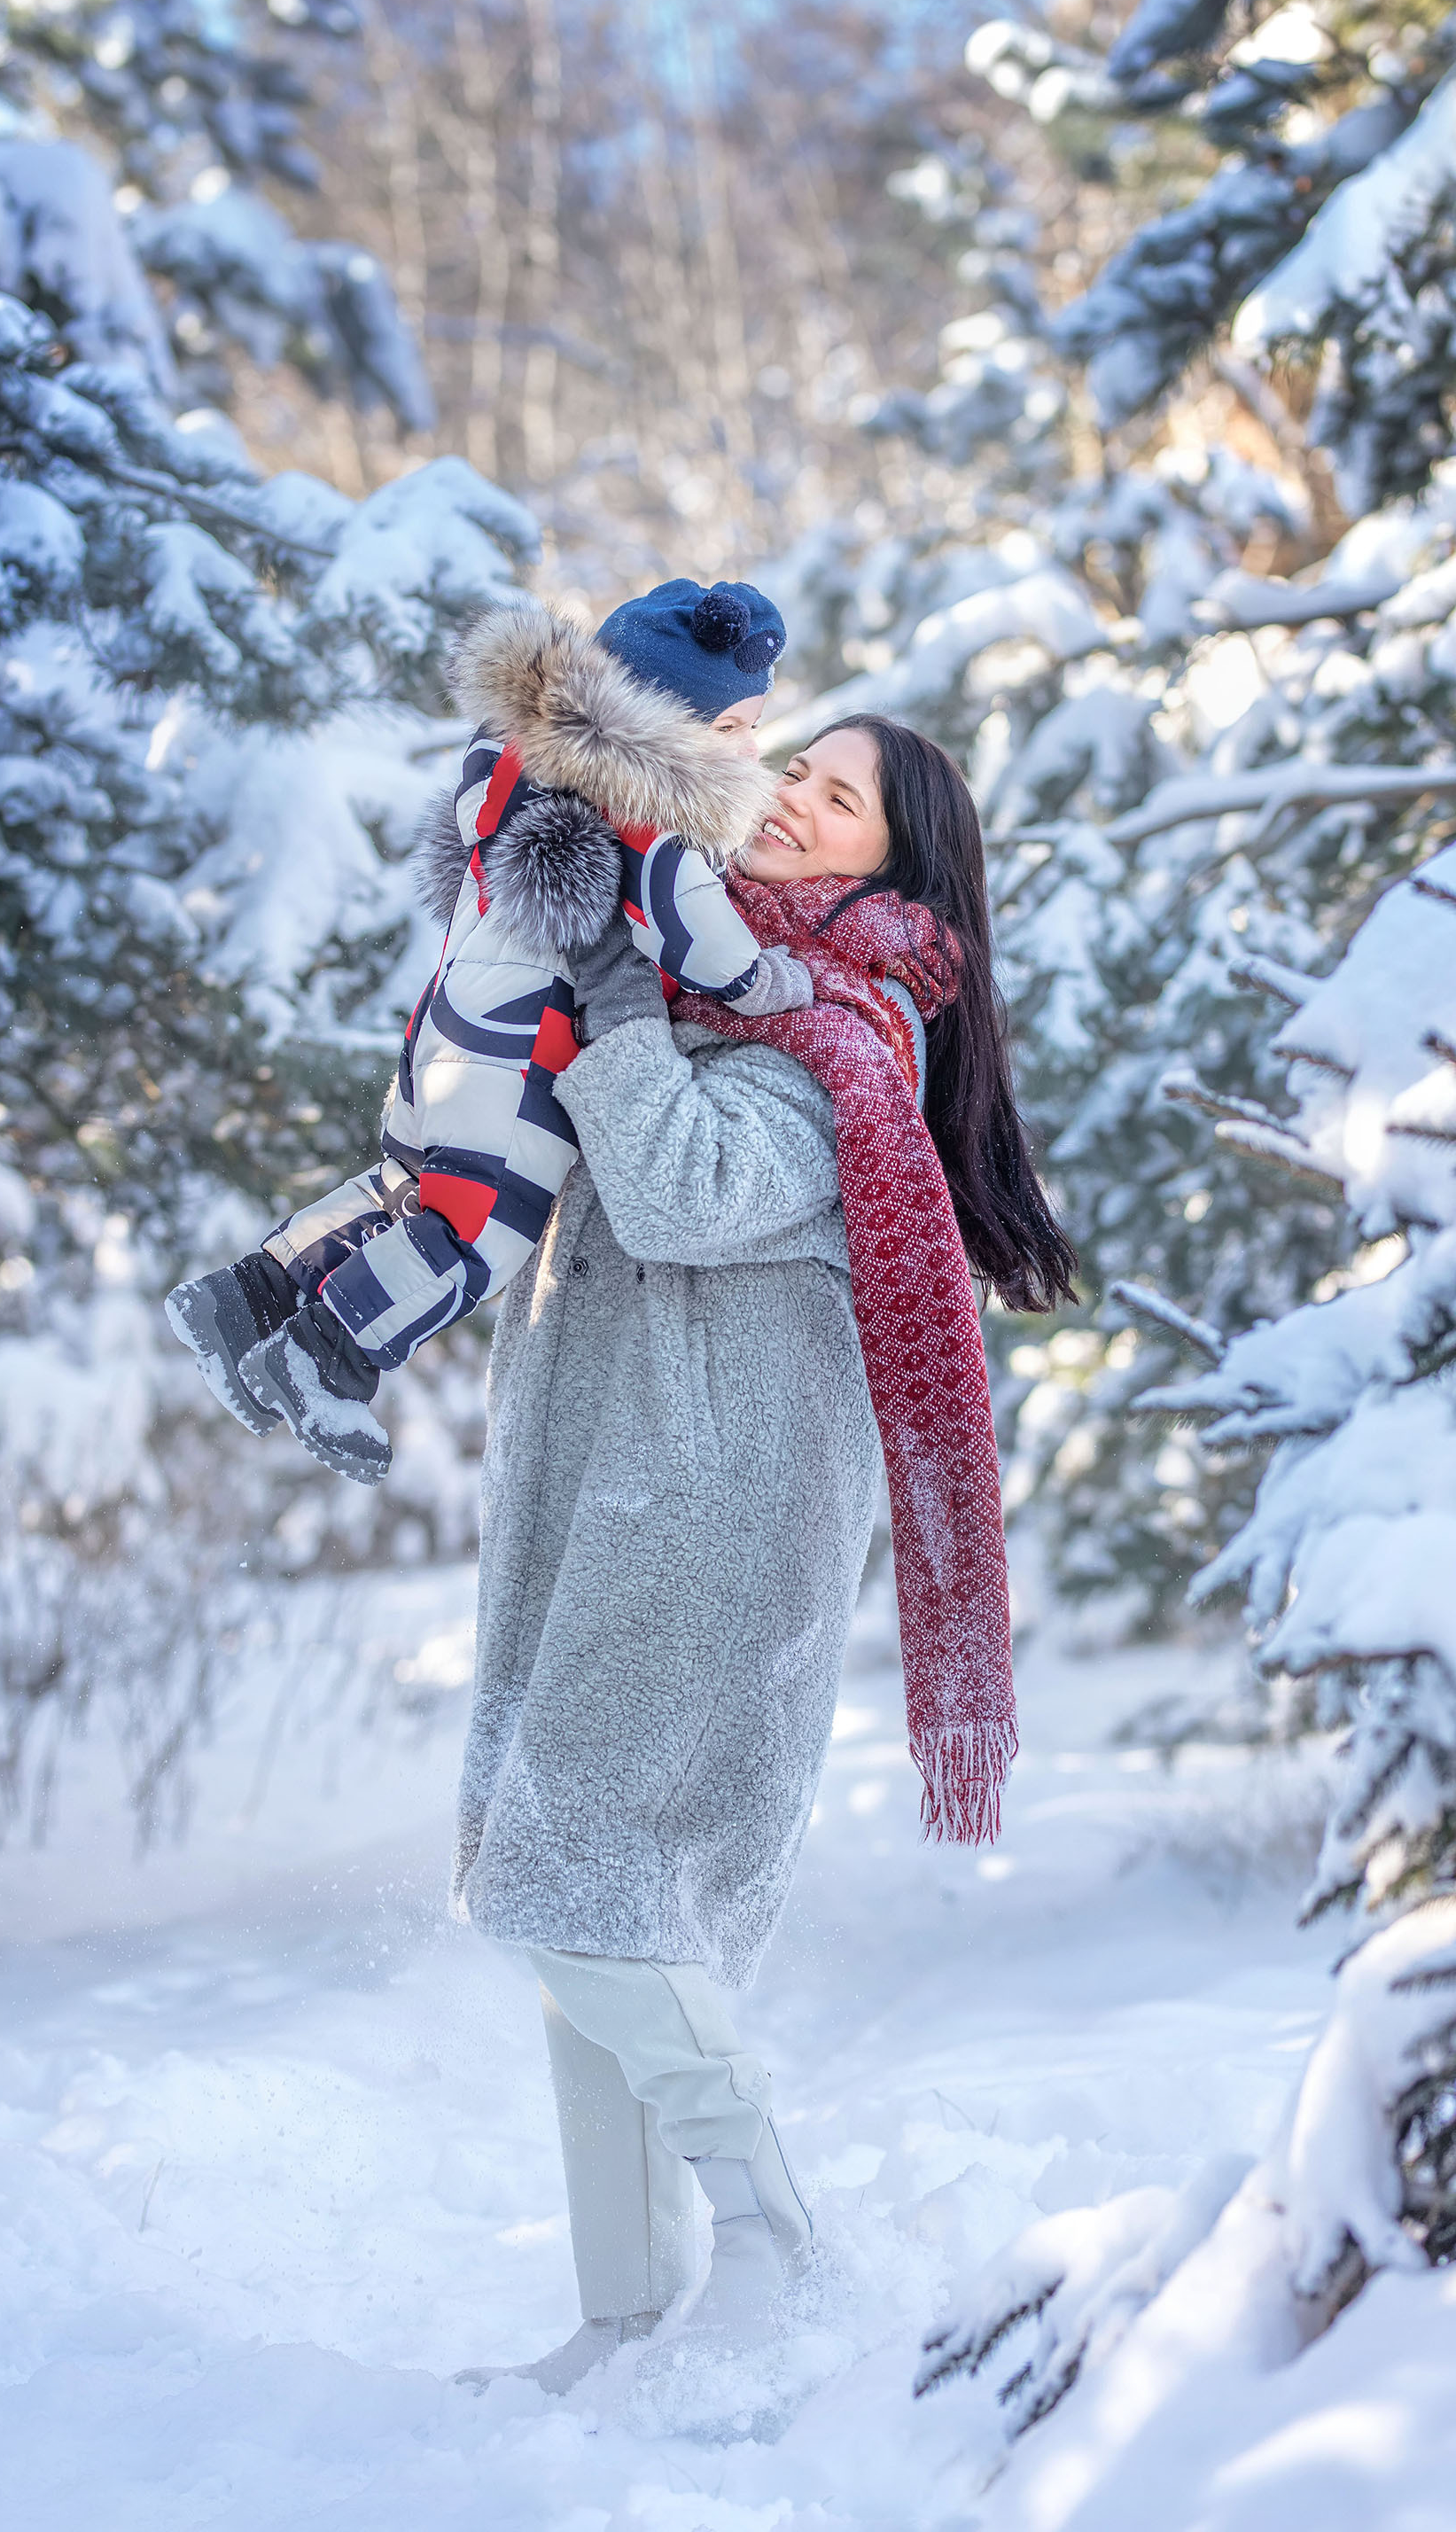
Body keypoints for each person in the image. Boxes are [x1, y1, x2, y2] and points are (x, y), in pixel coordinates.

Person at [453, 709, 1077, 2393]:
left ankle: (772, 2243)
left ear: (898, 859)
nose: (794, 798)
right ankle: (626, 2319)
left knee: (580, 1889)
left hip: (708, 1516)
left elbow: (680, 1188)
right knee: (604, 1913)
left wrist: (617, 983)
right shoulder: (724, 979)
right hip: (622, 1492)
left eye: (839, 795)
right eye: (794, 768)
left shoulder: (847, 1037)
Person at [161, 580, 814, 1485]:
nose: (748, 749)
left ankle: (245, 1298)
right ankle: (328, 1357)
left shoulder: (512, 761)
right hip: (520, 1047)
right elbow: (692, 925)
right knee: (479, 1225)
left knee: (406, 1185)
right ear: (663, 716)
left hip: (445, 1027)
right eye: (731, 726)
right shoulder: (647, 806)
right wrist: (764, 980)